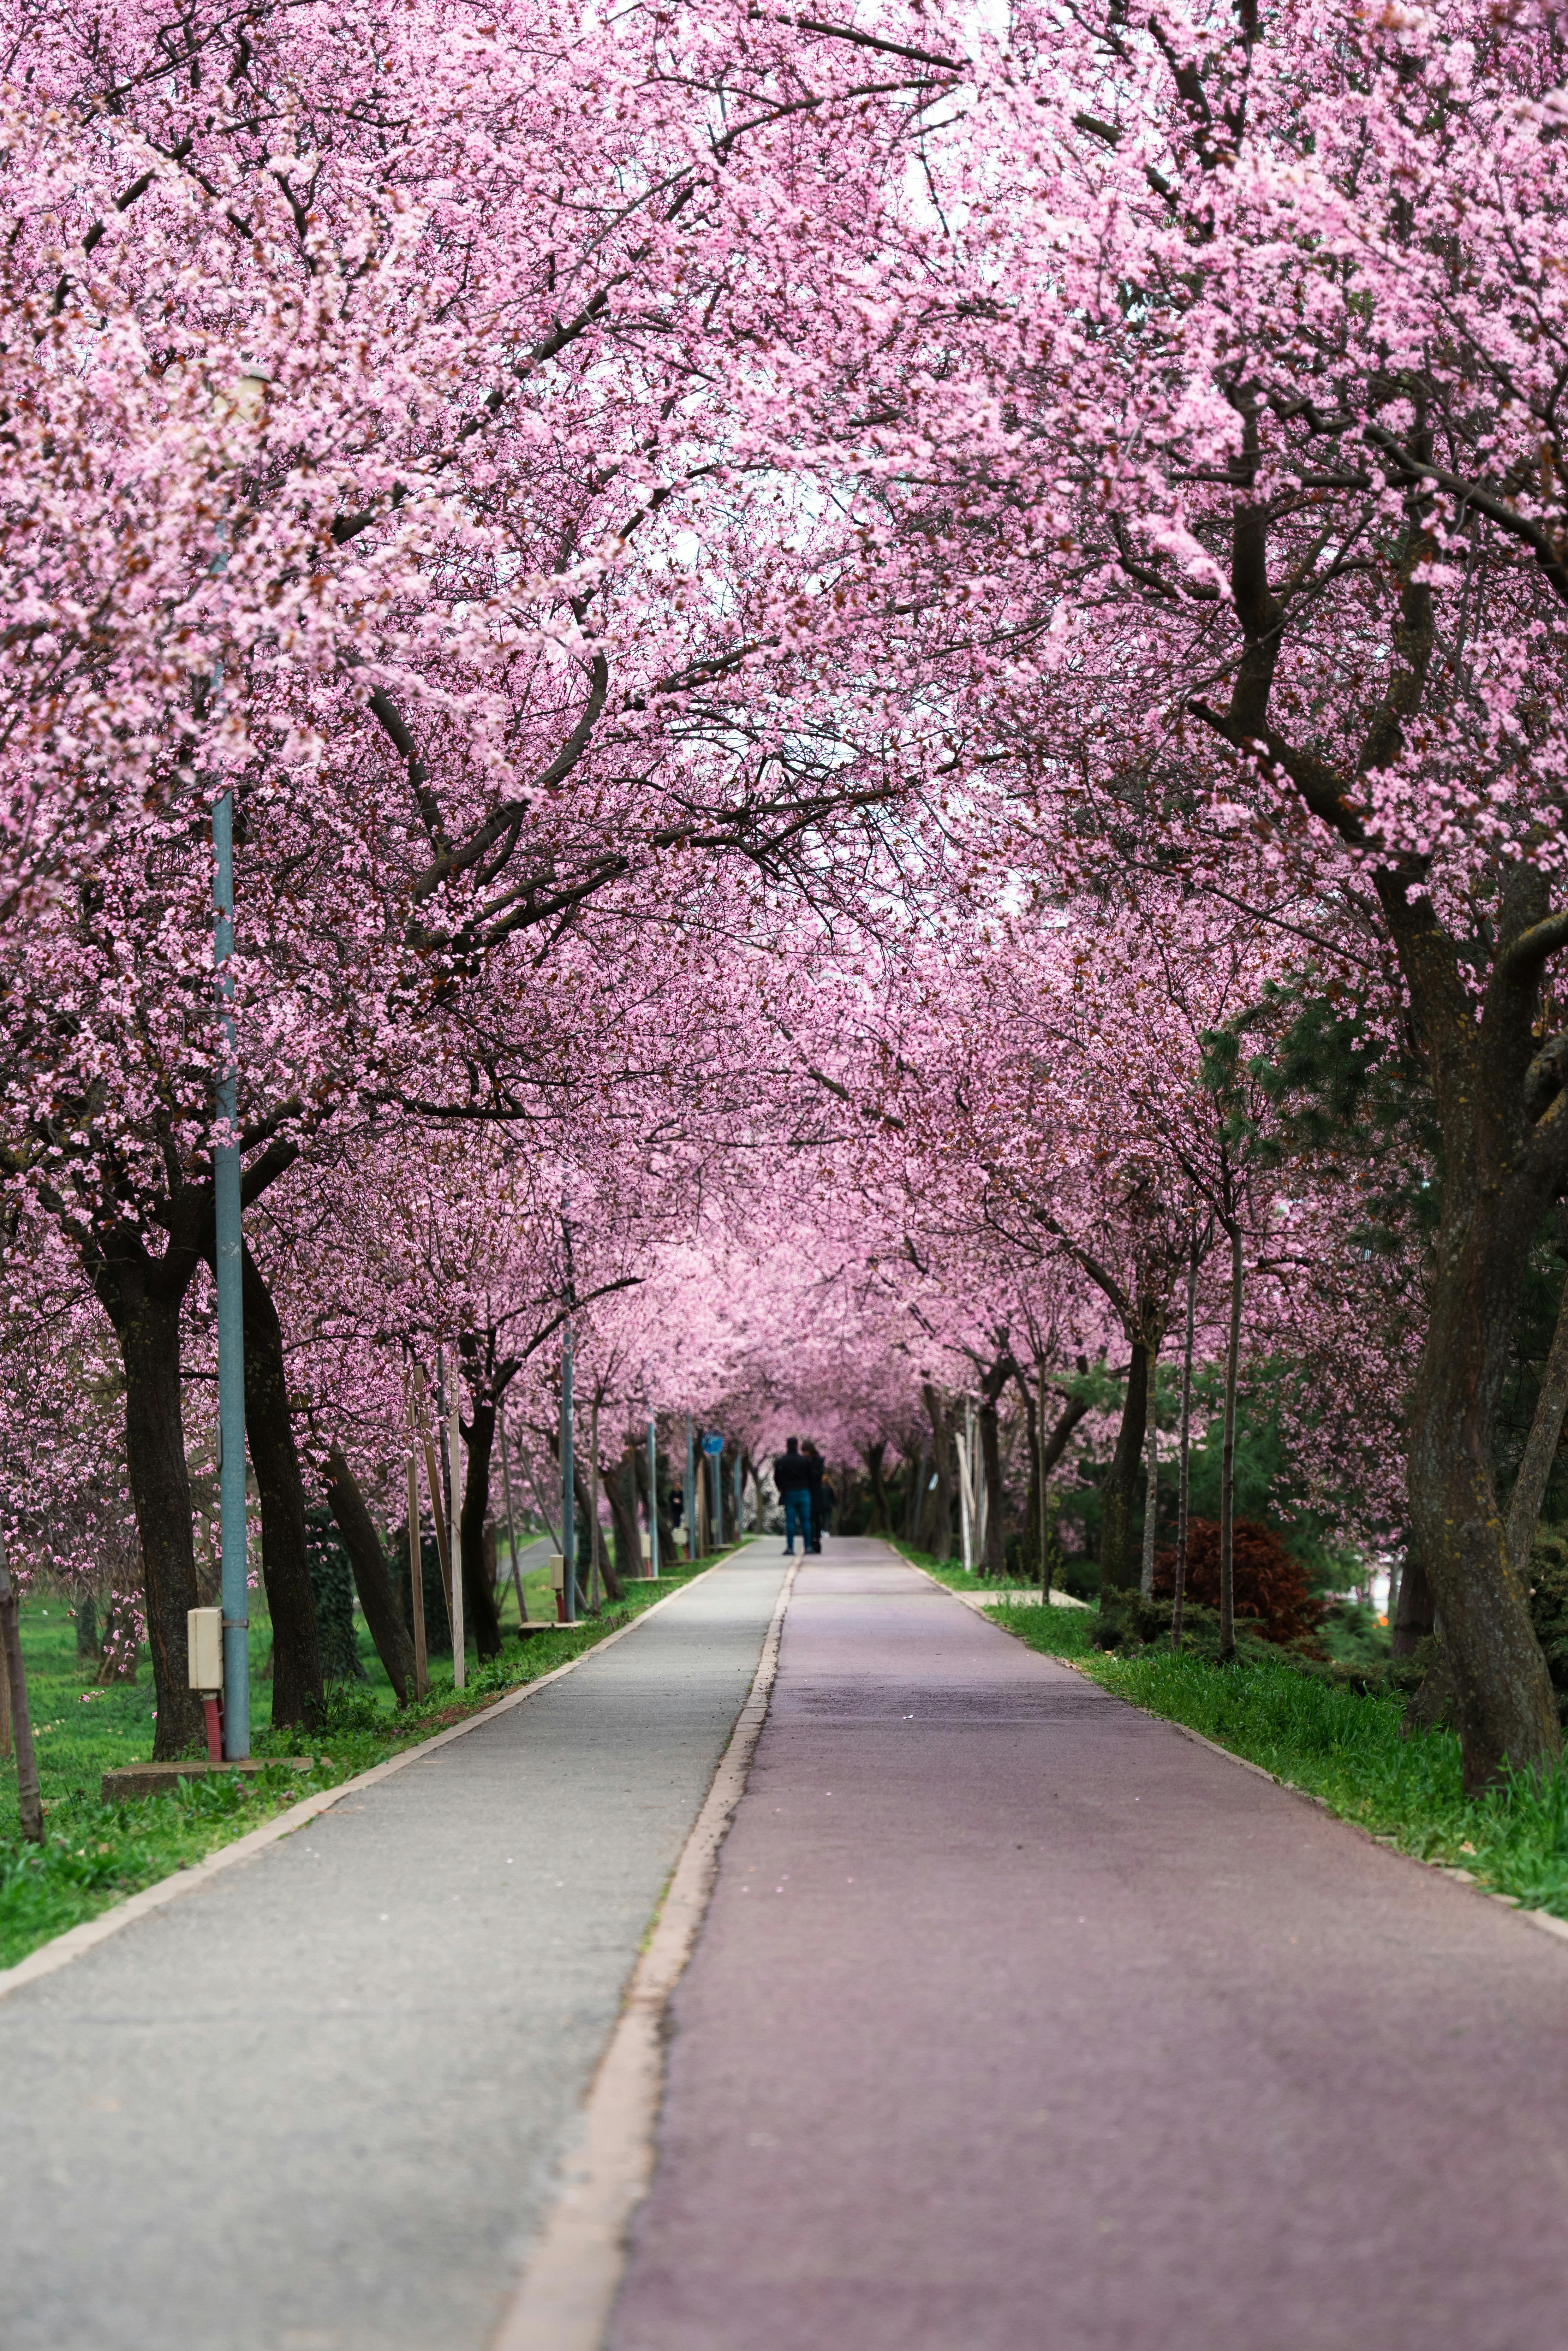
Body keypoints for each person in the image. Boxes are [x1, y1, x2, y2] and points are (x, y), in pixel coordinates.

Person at [774, 1437, 812, 1555]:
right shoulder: (804, 1461)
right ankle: (808, 1547)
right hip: (804, 1492)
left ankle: (790, 1548)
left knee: (790, 1521)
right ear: (797, 1446)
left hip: (789, 1493)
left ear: (787, 1446)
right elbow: (811, 1476)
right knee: (806, 1521)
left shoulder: (782, 1461)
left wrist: (781, 1489)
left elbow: (777, 1478)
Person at [801, 1441, 826, 1553]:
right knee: (808, 1518)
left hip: (816, 1493)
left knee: (816, 1518)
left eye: (807, 1452)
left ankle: (817, 1541)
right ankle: (810, 1541)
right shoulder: (803, 1462)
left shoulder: (819, 1461)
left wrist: (810, 1466)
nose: (805, 1454)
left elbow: (819, 1475)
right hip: (806, 1492)